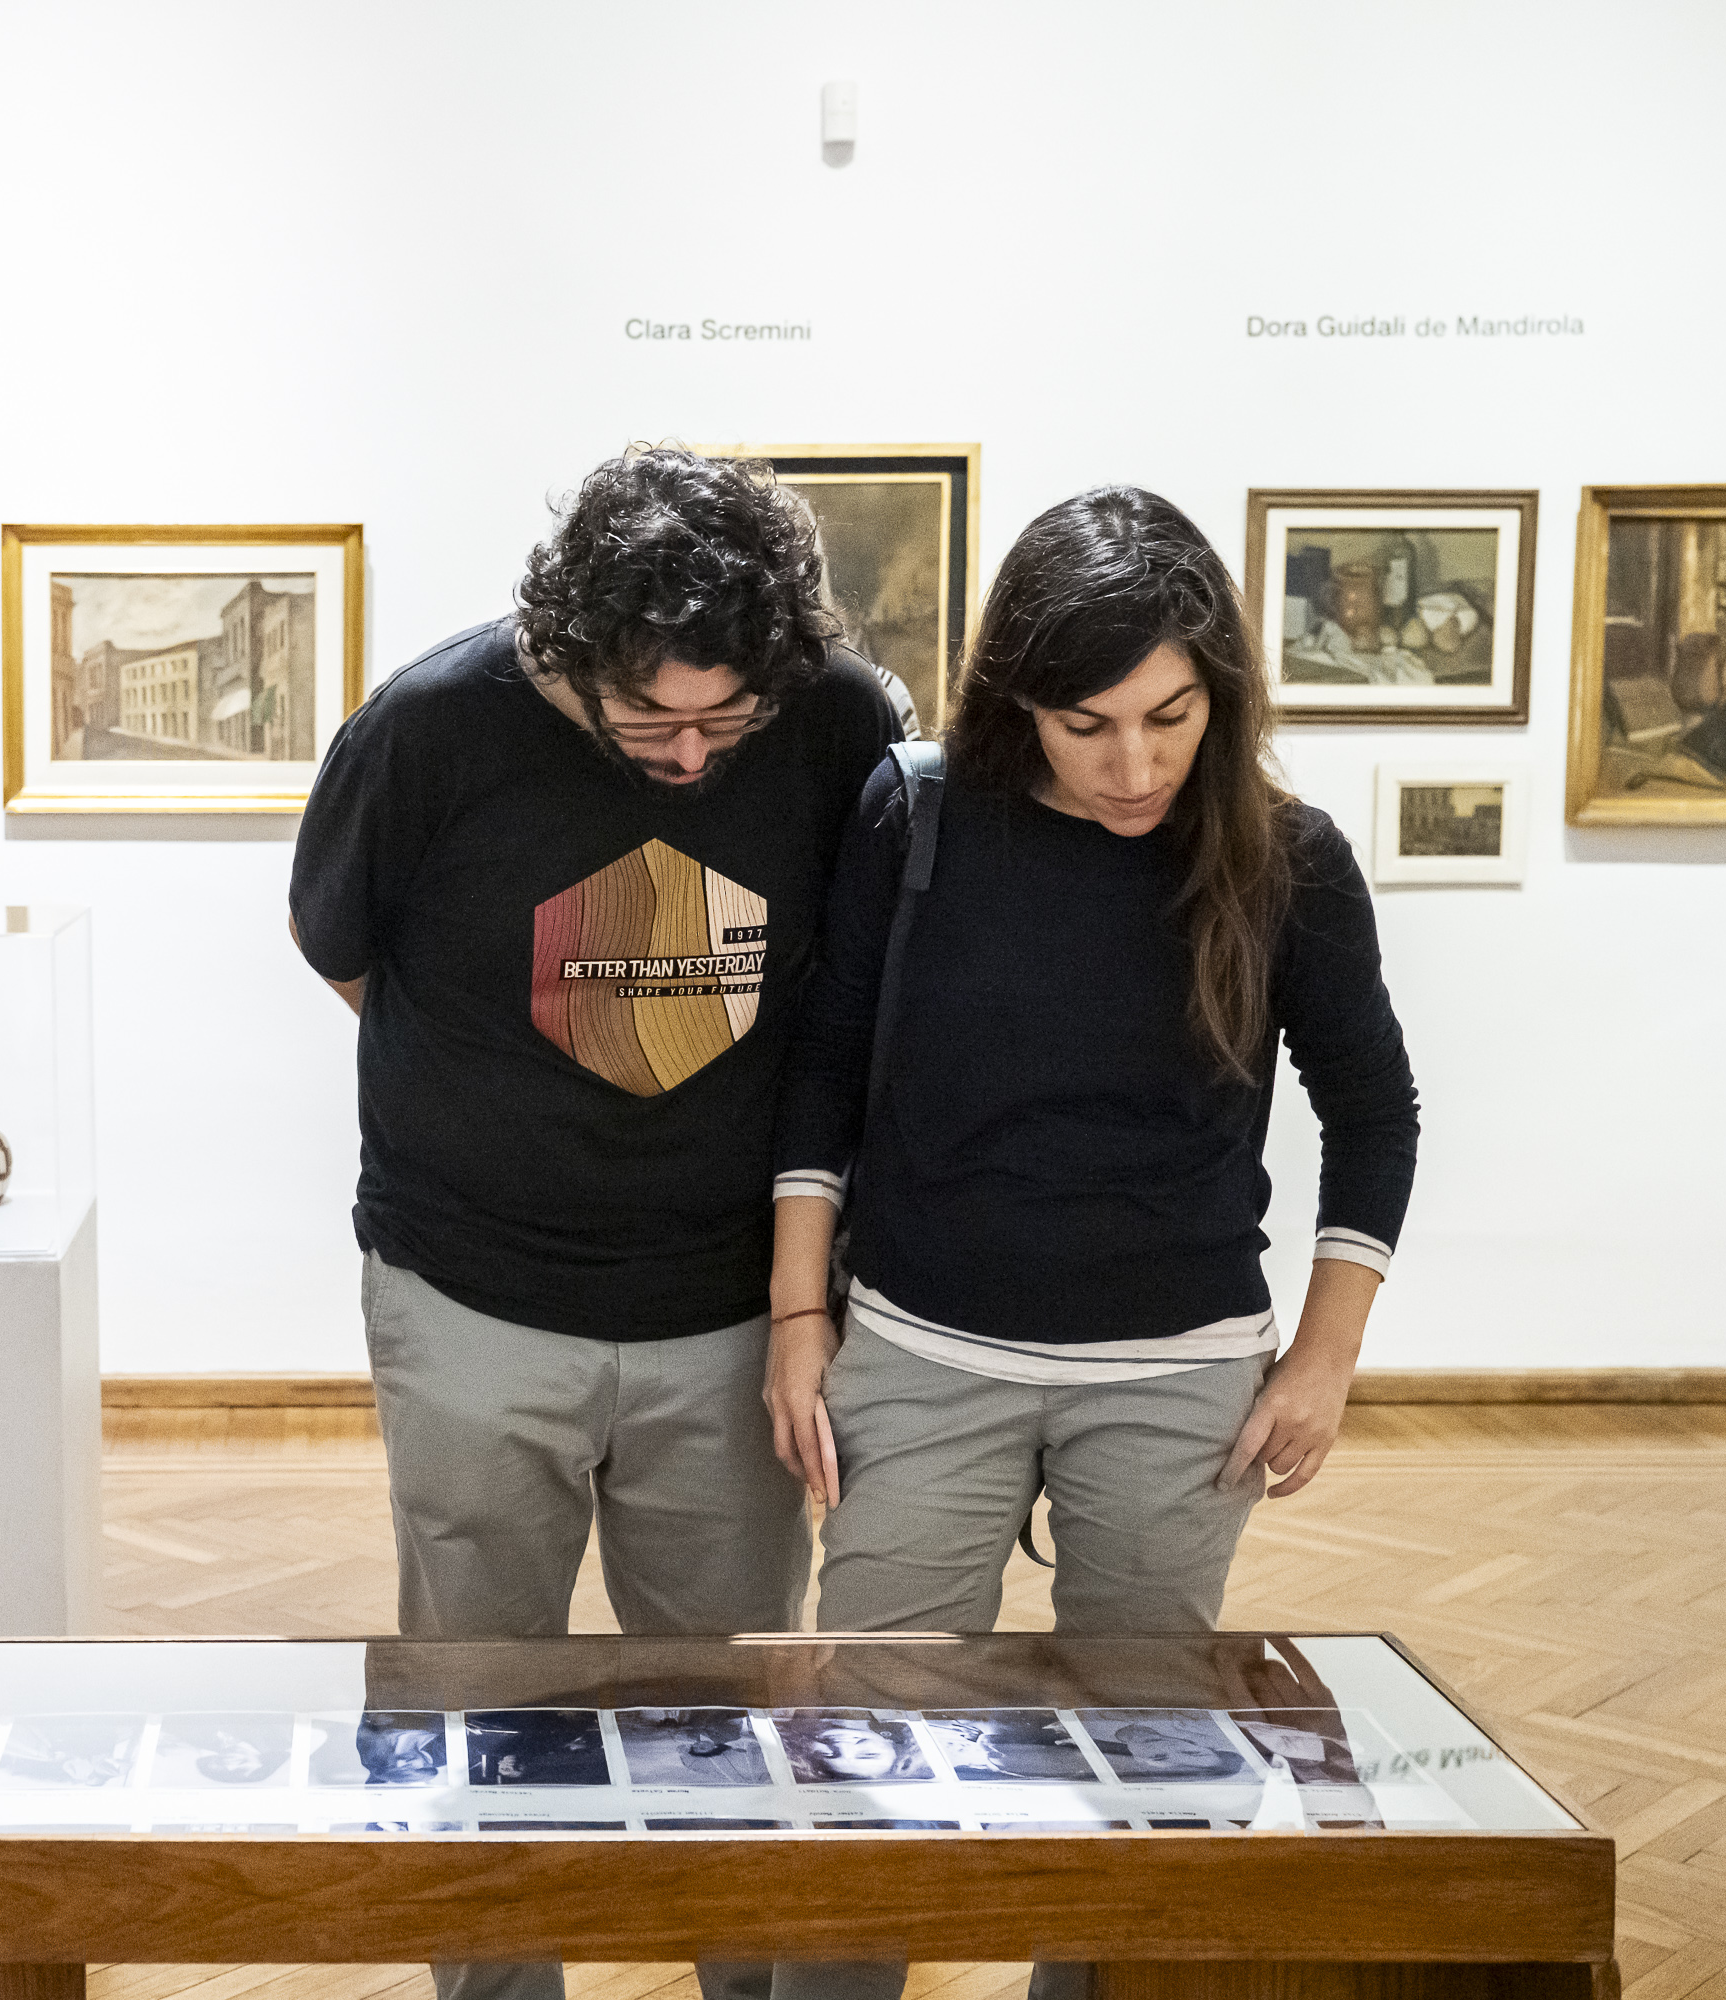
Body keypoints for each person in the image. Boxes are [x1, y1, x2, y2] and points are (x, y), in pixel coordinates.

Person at [759, 487, 1418, 2000]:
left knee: (1150, 1778)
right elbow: (824, 1065)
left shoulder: (1288, 860)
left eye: (1172, 718)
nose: (1135, 765)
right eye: (1088, 725)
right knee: (868, 1761)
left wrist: (1324, 1360)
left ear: (1222, 694)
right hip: (922, 1360)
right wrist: (803, 1319)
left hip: (1178, 1383)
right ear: (1018, 706)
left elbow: (1375, 1117)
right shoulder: (914, 814)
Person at [292, 447, 899, 2000]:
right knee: (473, 1704)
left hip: (727, 1320)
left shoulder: (835, 719)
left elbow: (855, 993)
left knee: (736, 1712)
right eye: (651, 720)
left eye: (726, 719)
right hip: (472, 1299)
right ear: (566, 655)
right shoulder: (426, 732)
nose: (692, 757)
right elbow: (346, 952)